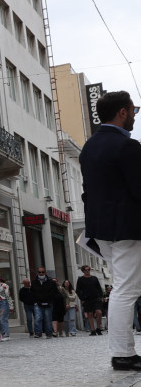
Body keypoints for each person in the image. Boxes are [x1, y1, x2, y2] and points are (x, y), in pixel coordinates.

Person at [78, 89, 141, 371]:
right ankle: (123, 353)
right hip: (127, 227)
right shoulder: (128, 147)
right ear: (123, 112)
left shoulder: (89, 146)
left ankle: (123, 351)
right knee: (126, 290)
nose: (135, 117)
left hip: (102, 228)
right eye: (133, 111)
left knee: (124, 287)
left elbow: (87, 193)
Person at [29, 266, 58, 339]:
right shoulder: (34, 282)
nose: (41, 273)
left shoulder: (51, 282)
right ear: (37, 272)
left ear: (45, 272)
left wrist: (50, 300)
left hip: (48, 303)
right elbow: (32, 292)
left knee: (48, 319)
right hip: (38, 303)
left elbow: (55, 292)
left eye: (42, 272)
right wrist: (35, 300)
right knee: (38, 318)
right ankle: (38, 333)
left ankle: (49, 333)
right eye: (39, 272)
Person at [76, 265, 105, 336]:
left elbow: (99, 288)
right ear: (83, 271)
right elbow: (78, 290)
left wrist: (101, 297)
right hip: (87, 299)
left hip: (96, 298)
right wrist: (82, 299)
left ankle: (98, 328)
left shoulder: (94, 278)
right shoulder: (81, 279)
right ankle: (93, 330)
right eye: (86, 270)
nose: (87, 271)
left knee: (99, 312)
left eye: (88, 269)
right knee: (90, 314)